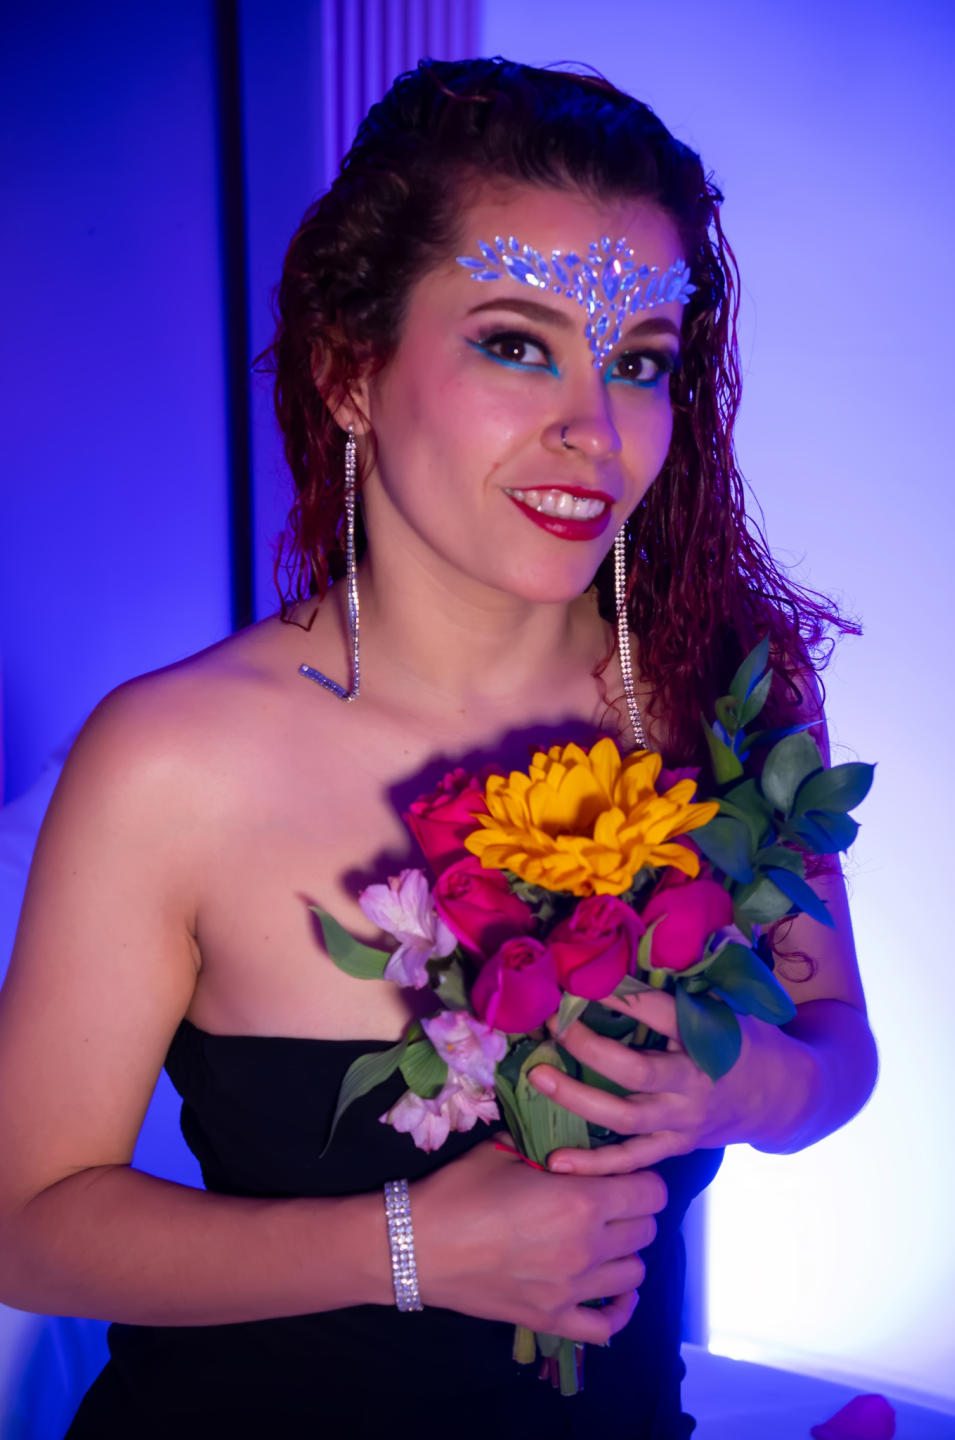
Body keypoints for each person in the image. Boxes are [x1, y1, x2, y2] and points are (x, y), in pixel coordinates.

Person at [0, 57, 877, 1439]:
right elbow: (25, 1227)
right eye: (517, 344)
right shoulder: (169, 762)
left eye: (639, 361)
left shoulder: (725, 707)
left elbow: (839, 1051)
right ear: (349, 370)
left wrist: (760, 1083)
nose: (594, 432)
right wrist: (411, 1249)